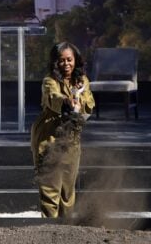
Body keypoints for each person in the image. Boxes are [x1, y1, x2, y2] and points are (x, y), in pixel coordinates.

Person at [30, 42, 95, 218]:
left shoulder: (83, 81)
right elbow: (53, 98)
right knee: (51, 193)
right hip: (49, 139)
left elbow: (89, 106)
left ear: (76, 60)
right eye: (61, 61)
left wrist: (79, 98)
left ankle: (66, 233)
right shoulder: (49, 81)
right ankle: (49, 232)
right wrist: (67, 101)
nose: (66, 64)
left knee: (68, 193)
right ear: (55, 62)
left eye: (69, 60)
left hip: (71, 140)